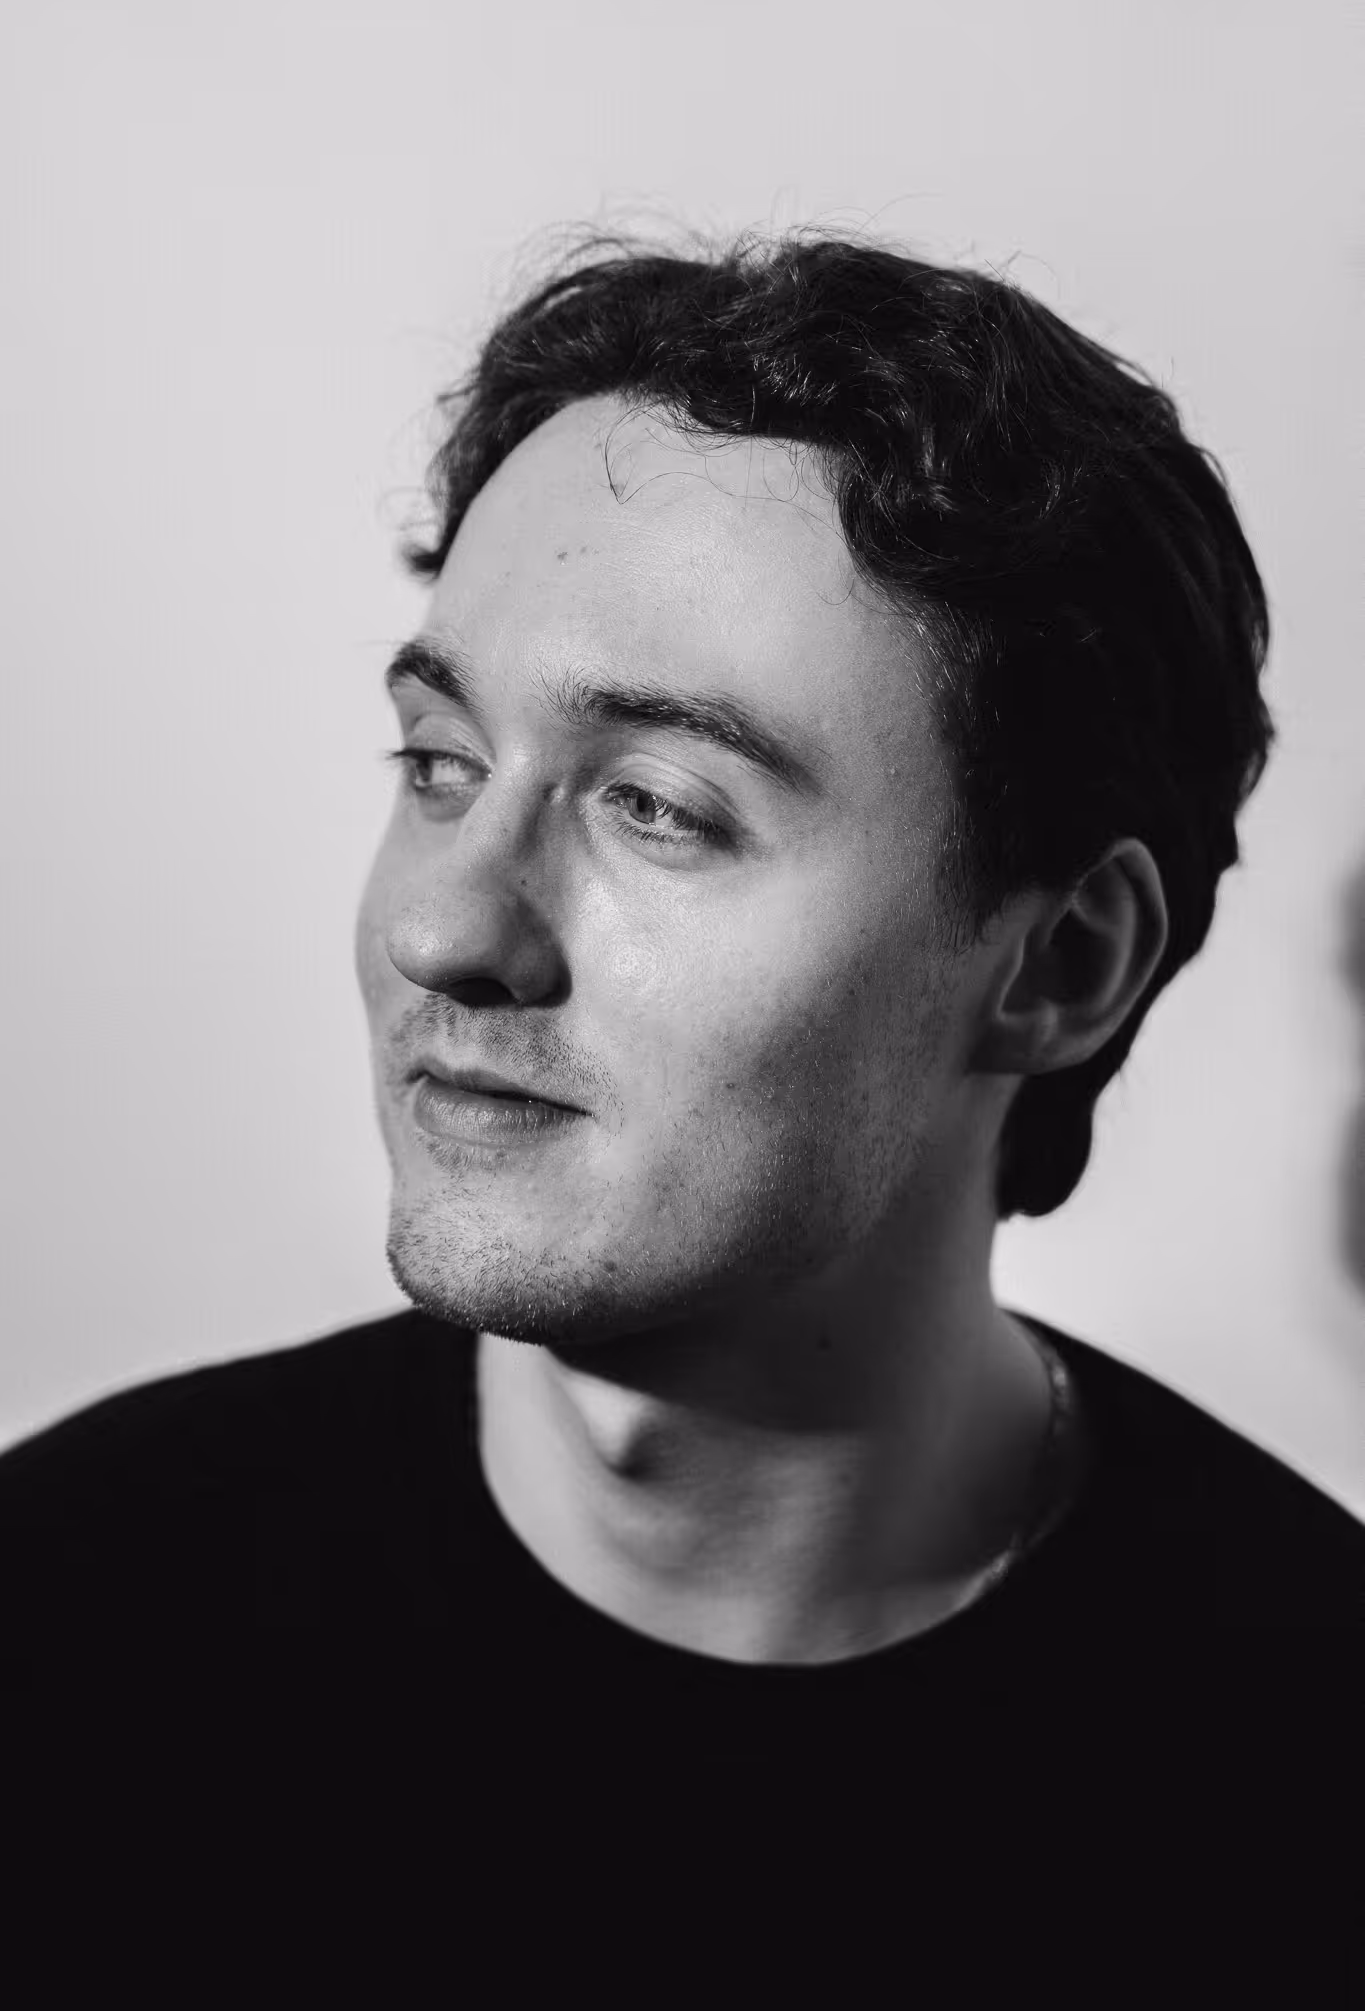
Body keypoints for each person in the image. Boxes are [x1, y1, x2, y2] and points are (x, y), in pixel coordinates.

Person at [3, 227, 1361, 1711]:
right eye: (441, 764)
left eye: (661, 807)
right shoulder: (67, 1616)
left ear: (1061, 963)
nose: (443, 933)